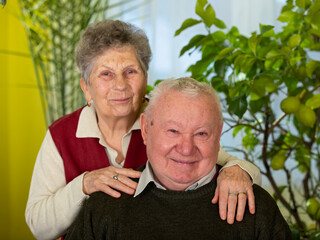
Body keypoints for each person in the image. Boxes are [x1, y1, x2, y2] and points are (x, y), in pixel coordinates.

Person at [25, 20, 261, 240]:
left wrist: (236, 170)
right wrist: (85, 184)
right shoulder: (61, 135)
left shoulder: (166, 123)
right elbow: (38, 226)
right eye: (106, 74)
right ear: (86, 87)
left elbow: (216, 159)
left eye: (130, 71)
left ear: (145, 78)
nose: (120, 85)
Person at [65, 77, 292, 240]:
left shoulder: (253, 205)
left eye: (201, 133)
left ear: (219, 134)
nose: (186, 149)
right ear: (145, 129)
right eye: (173, 131)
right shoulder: (104, 206)